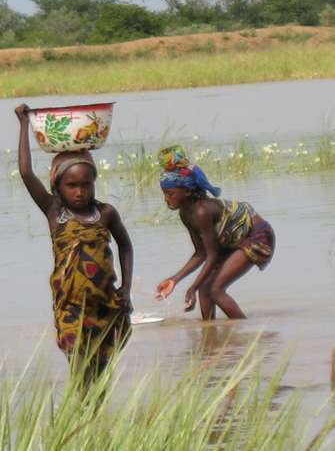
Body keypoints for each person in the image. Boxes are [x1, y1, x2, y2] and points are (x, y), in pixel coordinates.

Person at [15, 104, 133, 381]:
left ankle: (96, 420)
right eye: (72, 186)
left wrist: (126, 288)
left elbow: (125, 246)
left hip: (105, 306)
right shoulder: (55, 213)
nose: (80, 192)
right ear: (57, 186)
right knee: (80, 370)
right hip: (70, 309)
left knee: (101, 375)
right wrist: (23, 125)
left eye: (86, 185)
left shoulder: (105, 214)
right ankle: (81, 418)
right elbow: (25, 173)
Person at [155, 145, 275, 320]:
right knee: (205, 290)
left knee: (215, 290)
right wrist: (174, 280)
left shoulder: (201, 212)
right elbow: (200, 253)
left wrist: (192, 287)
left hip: (257, 236)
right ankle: (210, 336)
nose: (166, 199)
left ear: (187, 191)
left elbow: (211, 255)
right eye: (164, 194)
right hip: (232, 240)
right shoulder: (185, 214)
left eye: (170, 194)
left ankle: (245, 331)